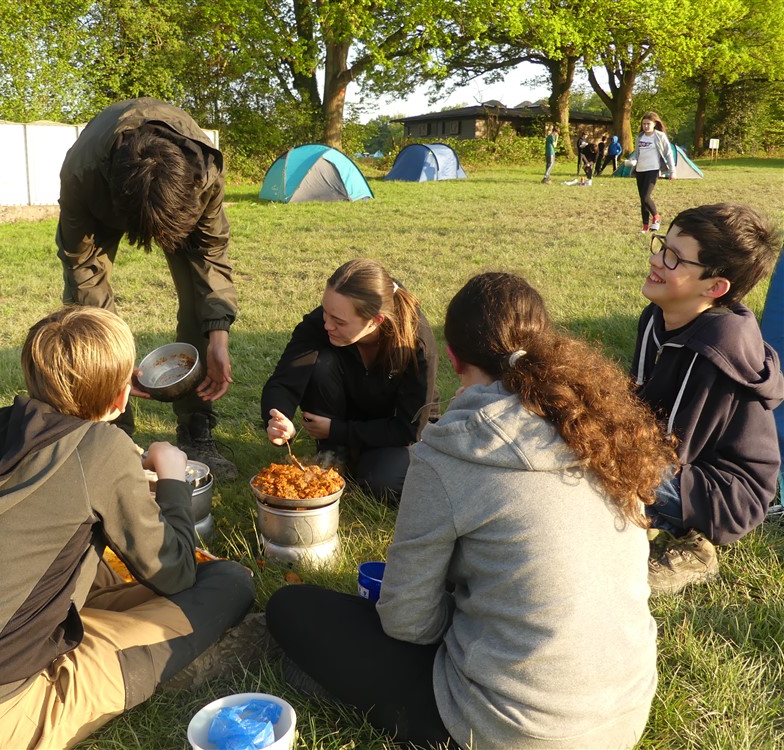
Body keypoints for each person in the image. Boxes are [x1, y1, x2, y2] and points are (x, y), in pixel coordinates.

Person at [267, 272, 672, 748]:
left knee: (291, 608)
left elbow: (407, 621)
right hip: (624, 713)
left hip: (514, 730)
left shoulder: (452, 452)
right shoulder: (600, 429)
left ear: (454, 357)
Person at [0, 306, 256, 750]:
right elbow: (175, 572)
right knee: (229, 583)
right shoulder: (100, 449)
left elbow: (71, 466)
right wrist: (171, 479)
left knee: (106, 576)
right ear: (120, 397)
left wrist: (109, 405)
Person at [56, 97, 238, 478]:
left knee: (198, 304)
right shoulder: (81, 175)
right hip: (103, 191)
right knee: (90, 318)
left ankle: (196, 427)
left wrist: (218, 337)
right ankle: (112, 431)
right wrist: (113, 365)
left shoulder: (203, 175)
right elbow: (84, 270)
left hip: (177, 196)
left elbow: (210, 254)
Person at [632, 204, 783, 595]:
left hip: (725, 492)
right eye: (662, 245)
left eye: (674, 257)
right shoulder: (657, 315)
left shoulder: (716, 349)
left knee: (604, 474)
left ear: (715, 287)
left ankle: (695, 548)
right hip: (681, 463)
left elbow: (673, 449)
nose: (656, 259)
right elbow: (637, 402)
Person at [261, 258, 438, 502]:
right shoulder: (322, 323)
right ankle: (334, 455)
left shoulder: (415, 341)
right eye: (325, 311)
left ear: (376, 320)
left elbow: (409, 429)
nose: (327, 324)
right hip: (347, 417)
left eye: (339, 321)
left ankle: (359, 456)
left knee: (381, 482)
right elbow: (284, 380)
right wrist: (277, 418)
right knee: (322, 364)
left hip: (396, 428)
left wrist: (337, 430)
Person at [624, 111, 675, 233]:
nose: (645, 126)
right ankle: (645, 227)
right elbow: (637, 154)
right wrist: (632, 161)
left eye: (648, 124)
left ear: (654, 124)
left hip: (652, 169)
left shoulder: (659, 136)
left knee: (646, 197)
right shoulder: (640, 137)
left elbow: (668, 153)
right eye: (644, 124)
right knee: (642, 199)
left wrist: (673, 171)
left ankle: (656, 217)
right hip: (640, 170)